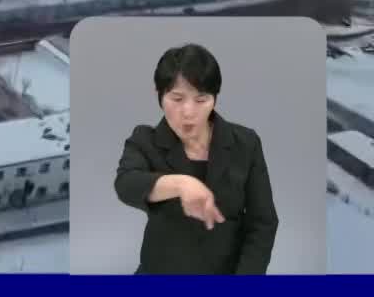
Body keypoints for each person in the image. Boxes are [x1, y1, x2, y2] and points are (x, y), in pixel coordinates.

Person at [113, 43, 277, 274]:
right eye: (177, 99)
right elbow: (126, 184)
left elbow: (263, 222)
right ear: (159, 95)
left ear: (214, 99)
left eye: (201, 100)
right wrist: (181, 184)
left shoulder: (246, 143)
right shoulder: (145, 140)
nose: (188, 112)